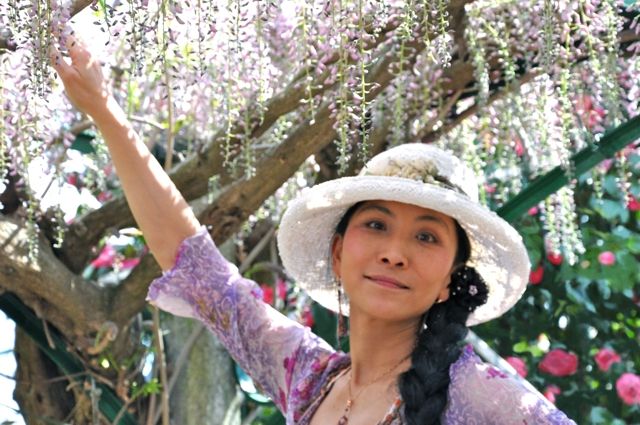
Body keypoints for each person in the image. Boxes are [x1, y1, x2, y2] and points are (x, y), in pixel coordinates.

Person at [51, 36, 576, 425]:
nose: (394, 252)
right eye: (376, 225)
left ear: (450, 280)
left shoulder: (482, 397)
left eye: (426, 237)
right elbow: (200, 272)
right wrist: (104, 110)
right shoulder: (310, 380)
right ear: (339, 249)